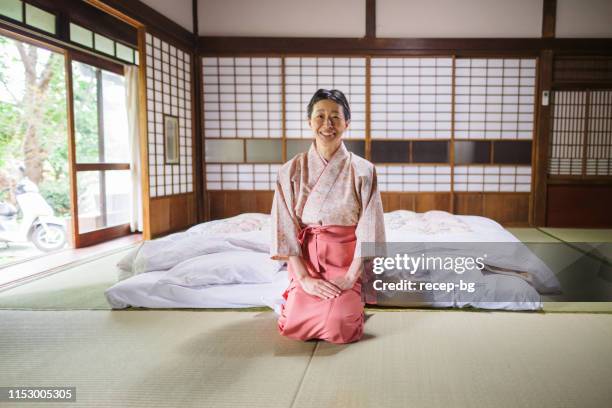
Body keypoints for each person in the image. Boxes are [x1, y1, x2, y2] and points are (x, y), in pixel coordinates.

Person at [270, 89, 386, 344]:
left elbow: (369, 228)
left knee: (340, 326)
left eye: (335, 116)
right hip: (307, 264)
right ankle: (303, 295)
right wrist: (304, 278)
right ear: (309, 122)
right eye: (320, 116)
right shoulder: (290, 170)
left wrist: (349, 277)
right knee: (294, 325)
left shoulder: (364, 171)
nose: (327, 124)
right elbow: (285, 229)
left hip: (346, 263)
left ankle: (352, 301)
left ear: (347, 123)